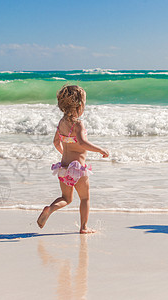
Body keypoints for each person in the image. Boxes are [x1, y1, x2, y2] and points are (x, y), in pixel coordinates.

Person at [37, 85, 109, 234]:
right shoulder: (78, 124)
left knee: (66, 198)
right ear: (79, 105)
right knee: (84, 198)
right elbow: (82, 143)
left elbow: (56, 142)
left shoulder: (62, 123)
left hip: (63, 168)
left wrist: (64, 153)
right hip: (78, 170)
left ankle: (50, 209)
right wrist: (100, 149)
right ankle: (84, 227)